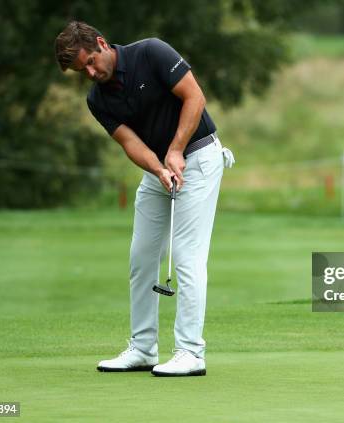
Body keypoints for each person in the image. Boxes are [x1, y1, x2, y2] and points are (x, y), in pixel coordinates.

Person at [54, 21, 233, 377]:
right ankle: (142, 347)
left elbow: (195, 97)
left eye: (91, 62)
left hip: (198, 157)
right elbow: (130, 143)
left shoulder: (151, 52)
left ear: (102, 44)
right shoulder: (97, 98)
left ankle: (190, 352)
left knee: (186, 255)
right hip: (159, 167)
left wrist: (177, 151)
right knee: (141, 256)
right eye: (81, 71)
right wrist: (160, 168)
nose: (90, 72)